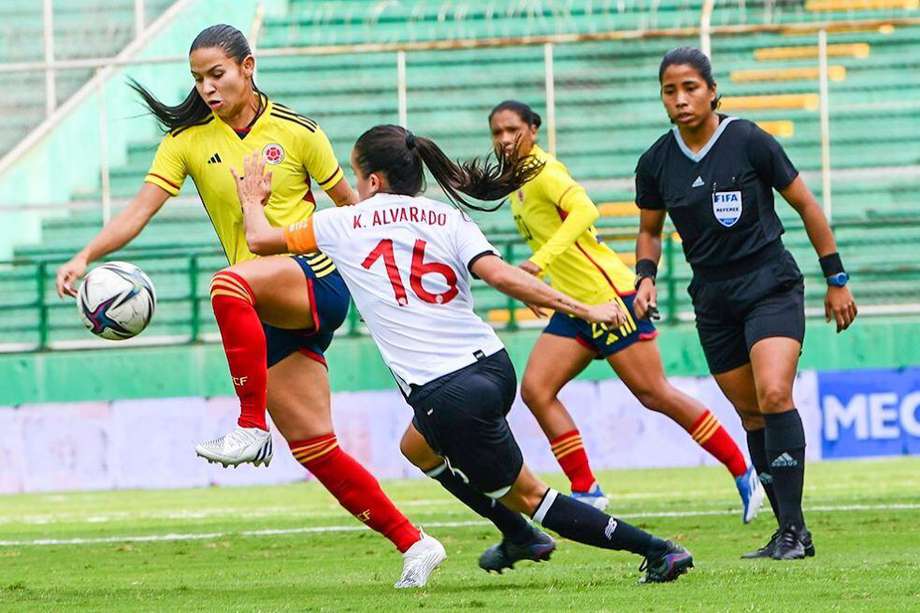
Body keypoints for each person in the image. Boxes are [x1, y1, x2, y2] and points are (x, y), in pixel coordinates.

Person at [54, 24, 443, 589]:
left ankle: (248, 425)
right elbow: (138, 212)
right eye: (198, 79)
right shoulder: (186, 142)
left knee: (225, 284)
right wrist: (85, 253)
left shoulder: (300, 133)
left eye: (217, 74)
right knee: (316, 448)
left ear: (248, 66)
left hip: (314, 281)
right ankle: (416, 544)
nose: (208, 88)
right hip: (262, 307)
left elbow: (354, 209)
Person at [234, 125, 695, 584]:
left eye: (357, 178)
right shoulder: (448, 217)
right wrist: (584, 307)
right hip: (492, 368)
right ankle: (516, 533)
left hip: (447, 392)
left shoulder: (341, 223)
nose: (356, 188)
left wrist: (253, 198)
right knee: (416, 447)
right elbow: (501, 275)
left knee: (530, 494)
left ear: (373, 180)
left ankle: (656, 551)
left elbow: (258, 241)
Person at [488, 100, 762, 521]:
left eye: (512, 130)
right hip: (577, 305)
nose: (505, 139)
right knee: (537, 391)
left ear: (534, 130)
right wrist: (540, 285)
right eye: (497, 133)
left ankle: (743, 471)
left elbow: (586, 211)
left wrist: (538, 264)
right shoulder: (519, 185)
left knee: (656, 394)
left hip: (611, 298)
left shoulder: (546, 173)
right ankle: (587, 489)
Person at [633, 47, 858, 560]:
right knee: (751, 413)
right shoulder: (655, 162)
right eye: (670, 90)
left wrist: (836, 278)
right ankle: (789, 532)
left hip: (770, 283)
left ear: (712, 90)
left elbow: (806, 205)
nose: (681, 98)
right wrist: (644, 278)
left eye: (690, 87)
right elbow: (650, 231)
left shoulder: (749, 140)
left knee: (774, 394)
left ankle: (794, 531)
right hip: (711, 298)